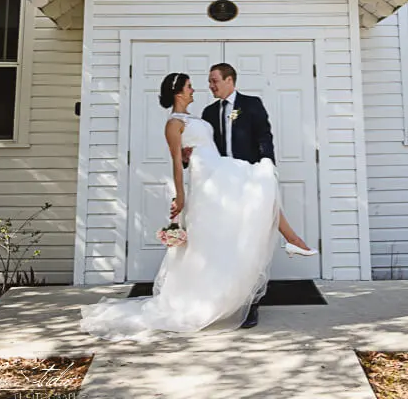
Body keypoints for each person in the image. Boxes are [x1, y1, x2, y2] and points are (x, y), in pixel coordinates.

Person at [79, 71, 281, 341]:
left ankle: (235, 298)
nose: (195, 89)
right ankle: (208, 299)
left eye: (208, 83)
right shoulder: (174, 123)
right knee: (208, 242)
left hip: (224, 177)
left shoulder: (201, 117)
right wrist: (180, 194)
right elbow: (177, 162)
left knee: (230, 238)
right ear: (178, 92)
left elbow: (210, 145)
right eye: (189, 87)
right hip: (206, 183)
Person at [200, 62, 316, 328]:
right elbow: (204, 148)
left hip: (249, 180)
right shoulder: (208, 112)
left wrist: (267, 166)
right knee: (227, 243)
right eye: (209, 81)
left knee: (250, 243)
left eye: (214, 80)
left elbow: (265, 136)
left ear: (230, 80)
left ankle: (250, 304)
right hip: (221, 185)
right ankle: (226, 302)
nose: (211, 85)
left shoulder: (252, 104)